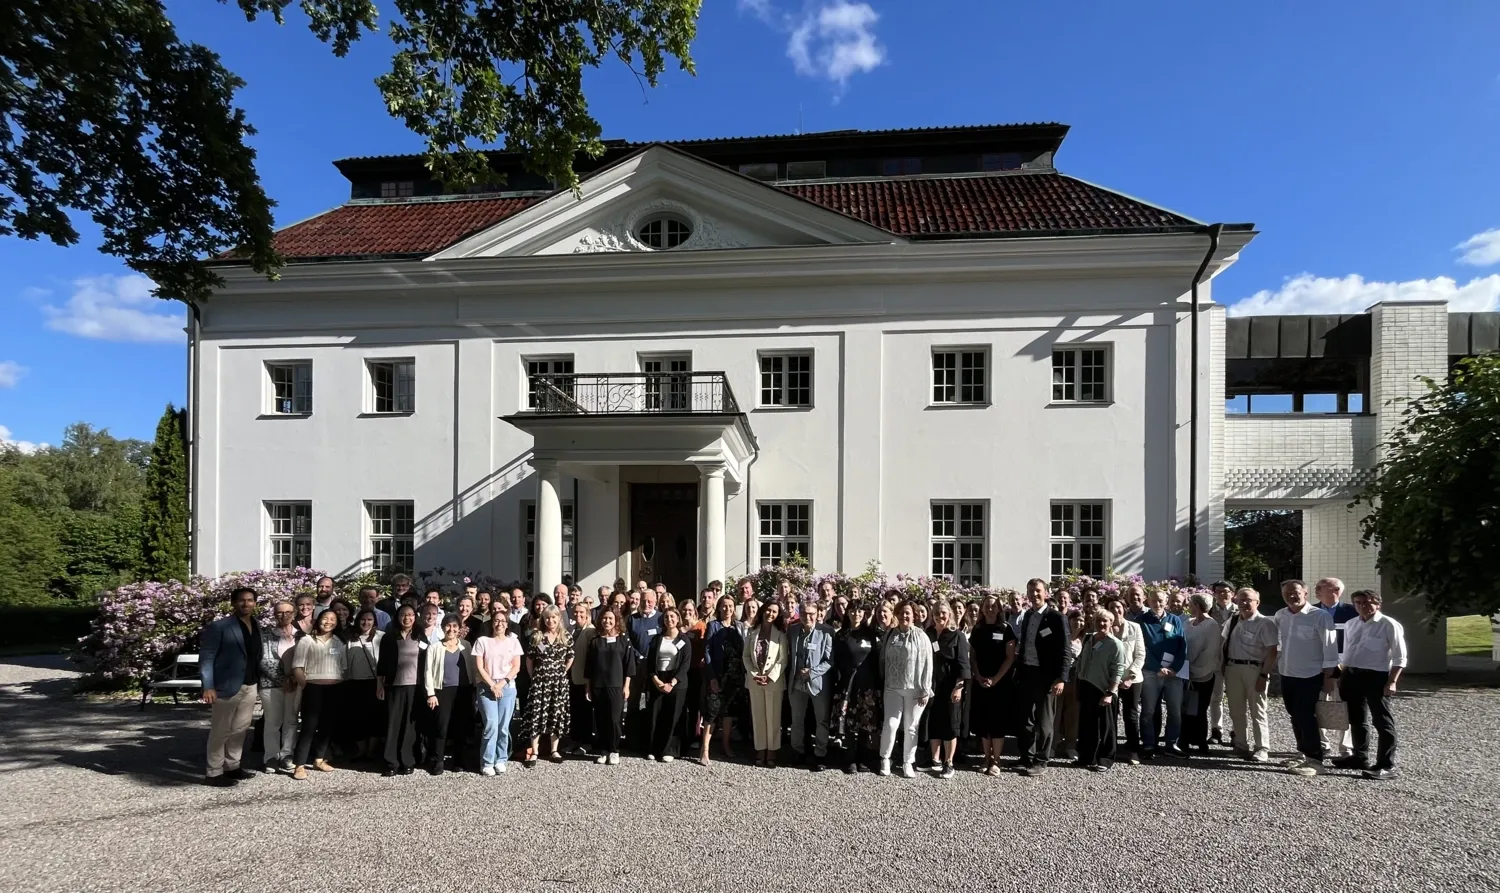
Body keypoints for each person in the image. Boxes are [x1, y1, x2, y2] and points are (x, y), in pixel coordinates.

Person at [1337, 590, 1407, 780]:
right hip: (1351, 674)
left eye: (1367, 602)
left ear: (1378, 604)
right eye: (1358, 602)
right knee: (1356, 719)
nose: (1363, 606)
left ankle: (1386, 765)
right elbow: (1348, 651)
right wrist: (1342, 674)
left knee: (1382, 720)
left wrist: (1392, 681)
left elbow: (1400, 656)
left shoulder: (1388, 624)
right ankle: (1360, 757)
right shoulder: (1351, 624)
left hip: (1376, 676)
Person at [1273, 579, 1339, 777]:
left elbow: (1330, 647)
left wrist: (1329, 676)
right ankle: (1303, 753)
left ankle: (1315, 759)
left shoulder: (1320, 616)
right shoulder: (1281, 615)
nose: (1291, 596)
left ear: (1305, 593)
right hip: (1287, 673)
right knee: (1294, 714)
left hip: (1310, 675)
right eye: (1286, 593)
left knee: (1305, 715)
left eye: (1295, 592)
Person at [200, 586, 263, 786]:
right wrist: (208, 686)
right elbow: (207, 658)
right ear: (233, 603)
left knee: (240, 728)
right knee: (221, 730)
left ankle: (232, 766)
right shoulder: (220, 627)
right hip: (226, 686)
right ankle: (213, 772)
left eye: (250, 600)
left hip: (250, 684)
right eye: (241, 600)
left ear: (255, 603)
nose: (246, 603)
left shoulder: (257, 625)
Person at [1013, 579, 1069, 777]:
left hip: (1046, 676)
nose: (1034, 595)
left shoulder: (1056, 617)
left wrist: (1061, 678)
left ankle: (1041, 760)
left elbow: (1065, 650)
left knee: (1045, 722)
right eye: (1030, 591)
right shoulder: (1028, 615)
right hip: (1027, 673)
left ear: (1046, 593)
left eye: (1038, 591)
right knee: (1025, 719)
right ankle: (1027, 757)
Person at [1220, 586, 1278, 762]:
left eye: (1248, 600)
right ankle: (1240, 745)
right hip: (1233, 668)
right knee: (1236, 710)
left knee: (1257, 710)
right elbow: (1224, 643)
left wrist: (1264, 675)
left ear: (1257, 602)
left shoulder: (1265, 623)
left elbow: (1272, 651)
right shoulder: (1233, 621)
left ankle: (1262, 748)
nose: (1244, 603)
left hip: (1255, 669)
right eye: (1241, 600)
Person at [876, 601, 933, 778]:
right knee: (890, 724)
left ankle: (908, 762)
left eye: (907, 613)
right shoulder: (890, 634)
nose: (904, 616)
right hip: (892, 687)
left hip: (914, 688)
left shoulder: (921, 636)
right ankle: (885, 758)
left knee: (911, 727)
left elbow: (928, 663)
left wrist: (925, 688)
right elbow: (882, 659)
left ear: (914, 615)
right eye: (901, 613)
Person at [290, 608, 347, 780]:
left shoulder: (339, 642)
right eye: (325, 618)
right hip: (313, 687)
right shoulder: (307, 640)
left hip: (334, 688)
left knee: (327, 725)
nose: (328, 622)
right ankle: (299, 765)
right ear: (318, 620)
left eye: (332, 619)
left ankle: (319, 759)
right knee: (308, 727)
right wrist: (306, 686)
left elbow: (343, 667)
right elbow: (297, 667)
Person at [968, 596, 1017, 777]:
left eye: (994, 606)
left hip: (1000, 683)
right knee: (983, 720)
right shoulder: (978, 629)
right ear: (982, 608)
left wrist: (995, 679)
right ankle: (986, 757)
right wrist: (978, 676)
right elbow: (973, 656)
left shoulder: (1006, 629)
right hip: (981, 681)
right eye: (987, 606)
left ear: (999, 609)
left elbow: (1010, 657)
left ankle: (996, 760)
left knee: (998, 720)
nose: (990, 609)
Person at [422, 614, 476, 775]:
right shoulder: (435, 647)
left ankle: (459, 760)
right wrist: (431, 694)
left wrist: (475, 689)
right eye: (448, 626)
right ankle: (437, 761)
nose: (451, 629)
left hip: (463, 690)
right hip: (442, 691)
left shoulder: (466, 646)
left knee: (461, 726)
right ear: (442, 627)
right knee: (441, 727)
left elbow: (473, 668)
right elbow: (428, 672)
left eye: (454, 626)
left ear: (459, 629)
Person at [1137, 589, 1187, 761]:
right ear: (1148, 601)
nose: (1157, 604)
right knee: (1148, 710)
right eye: (1154, 601)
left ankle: (1171, 744)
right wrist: (1157, 667)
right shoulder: (1142, 621)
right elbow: (1142, 648)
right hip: (1151, 671)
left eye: (1160, 601)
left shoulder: (1174, 620)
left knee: (1175, 711)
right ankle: (1149, 744)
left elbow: (1182, 645)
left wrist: (1175, 668)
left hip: (1173, 673)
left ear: (1166, 601)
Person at [376, 605, 425, 776]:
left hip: (415, 686)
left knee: (410, 726)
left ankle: (408, 761)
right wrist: (380, 685)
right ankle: (391, 762)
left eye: (410, 615)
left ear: (415, 617)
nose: (407, 618)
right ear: (397, 617)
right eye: (403, 615)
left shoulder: (421, 636)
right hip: (394, 685)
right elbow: (382, 663)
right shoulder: (389, 637)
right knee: (393, 724)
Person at [1073, 608, 1125, 772]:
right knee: (1087, 724)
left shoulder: (1115, 644)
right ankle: (1087, 757)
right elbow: (1081, 659)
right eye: (1098, 620)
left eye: (1105, 621)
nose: (1101, 623)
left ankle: (1106, 759)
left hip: (1104, 689)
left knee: (1107, 727)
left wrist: (1110, 692)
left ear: (1111, 623)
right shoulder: (1089, 638)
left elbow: (1118, 669)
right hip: (1086, 685)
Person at [786, 599, 835, 771]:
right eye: (804, 613)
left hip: (818, 684)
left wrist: (812, 672)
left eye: (811, 614)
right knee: (797, 720)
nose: (807, 617)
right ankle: (797, 751)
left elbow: (829, 661)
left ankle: (820, 754)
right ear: (799, 614)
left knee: (821, 720)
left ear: (817, 614)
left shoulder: (826, 632)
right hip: (796, 683)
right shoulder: (792, 630)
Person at [1315, 576, 1359, 759]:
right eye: (1317, 587)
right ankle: (1322, 744)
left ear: (1337, 591)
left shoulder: (1352, 612)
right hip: (1317, 665)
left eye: (1321, 587)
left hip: (1345, 665)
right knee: (1318, 704)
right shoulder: (1311, 611)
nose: (1317, 590)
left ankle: (1345, 746)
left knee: (1344, 705)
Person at [473, 612, 523, 775]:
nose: (499, 624)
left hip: (507, 688)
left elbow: (516, 666)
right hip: (486, 687)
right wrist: (493, 685)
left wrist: (501, 684)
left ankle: (501, 759)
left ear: (507, 624)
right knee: (491, 725)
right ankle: (487, 761)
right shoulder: (482, 641)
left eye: (503, 621)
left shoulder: (513, 642)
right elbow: (479, 667)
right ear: (491, 623)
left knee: (503, 726)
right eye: (496, 620)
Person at [522, 605, 573, 766]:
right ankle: (534, 751)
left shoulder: (566, 636)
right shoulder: (537, 637)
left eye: (553, 617)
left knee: (556, 714)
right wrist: (534, 677)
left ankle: (554, 750)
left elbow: (570, 657)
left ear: (559, 618)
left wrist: (561, 672)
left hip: (558, 684)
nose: (550, 621)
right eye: (547, 618)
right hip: (540, 683)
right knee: (537, 715)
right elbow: (529, 659)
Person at [926, 601, 971, 778]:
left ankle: (949, 762)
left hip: (950, 686)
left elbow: (963, 665)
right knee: (933, 721)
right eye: (937, 612)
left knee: (950, 724)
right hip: (931, 686)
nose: (940, 616)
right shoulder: (928, 634)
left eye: (943, 612)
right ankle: (935, 760)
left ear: (949, 614)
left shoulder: (957, 636)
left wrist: (958, 688)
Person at [257, 600, 303, 774]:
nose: (284, 615)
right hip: (270, 684)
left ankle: (287, 755)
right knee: (272, 721)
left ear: (294, 613)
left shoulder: (301, 636)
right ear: (274, 614)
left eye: (288, 612)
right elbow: (263, 661)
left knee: (291, 720)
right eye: (279, 612)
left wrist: (294, 678)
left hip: (295, 684)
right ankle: (271, 757)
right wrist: (283, 679)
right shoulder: (266, 635)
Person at [699, 595, 745, 766]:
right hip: (718, 675)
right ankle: (705, 750)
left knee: (728, 713)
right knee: (711, 713)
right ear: (719, 608)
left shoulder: (738, 626)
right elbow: (707, 652)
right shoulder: (713, 625)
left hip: (734, 676)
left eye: (730, 606)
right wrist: (711, 677)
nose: (727, 609)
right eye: (724, 606)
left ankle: (726, 745)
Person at [585, 608, 635, 765]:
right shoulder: (595, 641)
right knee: (600, 719)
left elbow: (629, 664)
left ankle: (614, 750)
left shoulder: (623, 640)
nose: (607, 621)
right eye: (605, 618)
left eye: (611, 618)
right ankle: (603, 750)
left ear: (616, 620)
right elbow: (589, 667)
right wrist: (588, 688)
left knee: (614, 720)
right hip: (598, 686)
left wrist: (627, 686)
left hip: (616, 685)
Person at [743, 601, 789, 768]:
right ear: (763, 611)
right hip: (755, 681)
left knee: (773, 717)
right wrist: (754, 674)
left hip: (773, 682)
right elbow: (746, 656)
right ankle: (760, 748)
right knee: (758, 716)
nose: (770, 614)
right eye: (768, 610)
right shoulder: (752, 631)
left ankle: (772, 749)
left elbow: (783, 659)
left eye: (774, 612)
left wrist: (770, 676)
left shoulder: (781, 634)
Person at [1102, 595, 1146, 764]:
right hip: (1110, 679)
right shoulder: (1104, 629)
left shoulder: (1135, 627)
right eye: (1111, 608)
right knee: (1110, 714)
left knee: (1131, 715)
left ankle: (1133, 750)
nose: (1116, 610)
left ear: (1124, 609)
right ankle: (1109, 750)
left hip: (1131, 679)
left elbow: (1140, 655)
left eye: (1118, 607)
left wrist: (1131, 677)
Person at [644, 607, 691, 761]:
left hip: (677, 681)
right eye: (666, 617)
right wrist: (656, 680)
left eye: (672, 617)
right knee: (655, 714)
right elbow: (650, 663)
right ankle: (653, 748)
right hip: (658, 679)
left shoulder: (684, 640)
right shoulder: (657, 639)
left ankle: (669, 750)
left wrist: (672, 683)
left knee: (673, 715)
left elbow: (685, 664)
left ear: (678, 619)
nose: (669, 620)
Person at [1182, 593, 1223, 754]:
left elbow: (1206, 650)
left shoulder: (1211, 625)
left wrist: (1190, 663)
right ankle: (1185, 739)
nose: (1189, 607)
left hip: (1202, 672)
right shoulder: (1189, 622)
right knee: (1187, 708)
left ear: (1198, 606)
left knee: (1199, 709)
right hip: (1186, 670)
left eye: (1191, 604)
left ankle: (1200, 742)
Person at [344, 608, 384, 762]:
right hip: (355, 682)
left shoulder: (381, 637)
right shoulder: (350, 638)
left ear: (374, 622)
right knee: (358, 717)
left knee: (375, 717)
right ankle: (360, 749)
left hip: (375, 682)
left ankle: (371, 750)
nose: (366, 622)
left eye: (369, 619)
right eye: (363, 619)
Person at [1054, 610, 1086, 761]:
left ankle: (1070, 746)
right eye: (1075, 619)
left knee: (1073, 713)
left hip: (1076, 679)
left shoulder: (1086, 639)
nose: (1078, 623)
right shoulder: (1061, 636)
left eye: (1081, 620)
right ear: (1069, 620)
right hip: (1060, 678)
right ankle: (1052, 745)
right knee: (1056, 712)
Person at [1206, 580, 1235, 744]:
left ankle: (1237, 731)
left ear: (1232, 593)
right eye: (1219, 592)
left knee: (1236, 698)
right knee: (1215, 697)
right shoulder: (1209, 611)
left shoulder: (1240, 610)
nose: (1223, 595)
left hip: (1234, 660)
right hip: (1215, 660)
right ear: (1214, 594)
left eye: (1226, 591)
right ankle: (1216, 730)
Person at [567, 600, 596, 755]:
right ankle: (575, 740)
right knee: (574, 711)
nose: (578, 615)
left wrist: (589, 682)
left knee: (585, 712)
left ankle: (586, 743)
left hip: (584, 678)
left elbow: (591, 658)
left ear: (587, 614)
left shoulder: (591, 631)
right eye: (576, 612)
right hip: (571, 677)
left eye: (581, 612)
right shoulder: (571, 630)